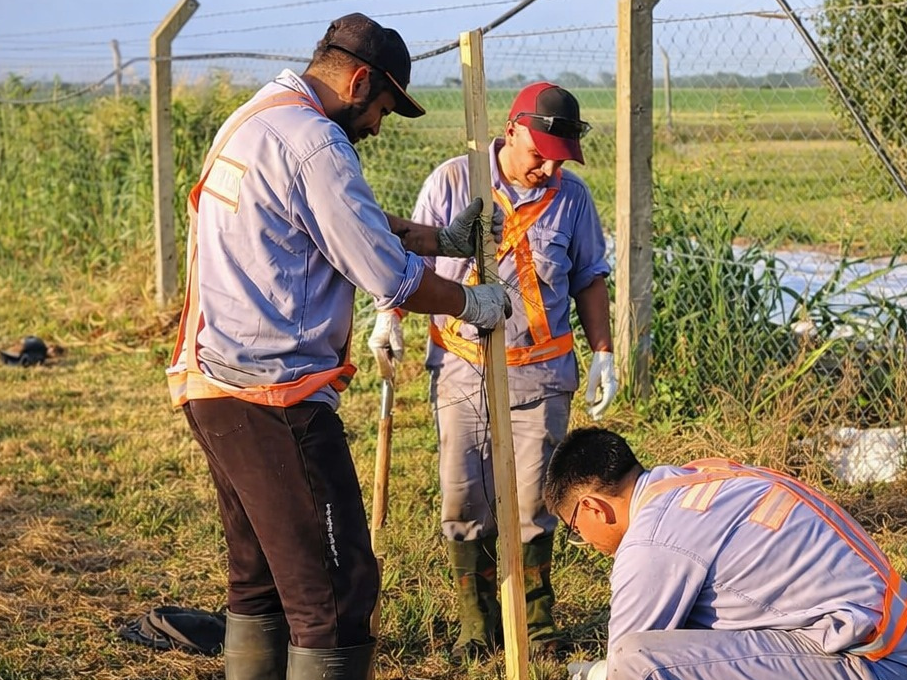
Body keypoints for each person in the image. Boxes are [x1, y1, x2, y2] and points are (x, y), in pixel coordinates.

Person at [165, 13, 511, 680]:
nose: (378, 126)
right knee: (337, 595)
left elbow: (338, 221)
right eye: (381, 108)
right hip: (276, 401)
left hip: (215, 387)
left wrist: (439, 239)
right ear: (358, 82)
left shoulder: (257, 119)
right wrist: (471, 302)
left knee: (261, 578)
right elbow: (389, 278)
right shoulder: (316, 142)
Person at [368, 82, 618, 661]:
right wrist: (389, 316)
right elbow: (410, 259)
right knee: (464, 502)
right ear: (511, 131)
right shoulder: (454, 181)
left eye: (560, 160)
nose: (548, 169)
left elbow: (589, 277)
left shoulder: (573, 199)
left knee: (535, 504)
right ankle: (477, 625)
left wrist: (603, 350)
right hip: (463, 370)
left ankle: (536, 625)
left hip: (541, 377)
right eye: (539, 155)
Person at [542, 426, 907, 680]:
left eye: (575, 530)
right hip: (880, 636)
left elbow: (624, 663)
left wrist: (602, 671)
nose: (584, 541)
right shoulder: (693, 480)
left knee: (635, 661)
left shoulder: (651, 542)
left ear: (593, 508)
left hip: (873, 662)